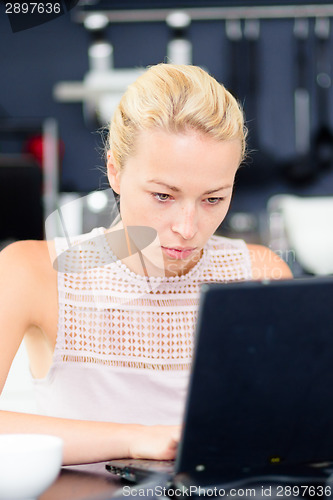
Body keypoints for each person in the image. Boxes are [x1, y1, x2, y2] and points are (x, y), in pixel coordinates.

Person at [0, 63, 292, 466]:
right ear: (115, 172)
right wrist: (136, 439)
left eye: (212, 199)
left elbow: (293, 429)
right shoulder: (33, 272)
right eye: (163, 196)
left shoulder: (261, 276)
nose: (188, 228)